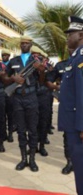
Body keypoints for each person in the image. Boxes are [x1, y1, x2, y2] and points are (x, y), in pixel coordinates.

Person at [1, 36, 44, 172]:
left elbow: (42, 81)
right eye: (22, 44)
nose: (24, 45)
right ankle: (23, 158)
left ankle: (32, 160)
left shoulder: (37, 61)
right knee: (21, 130)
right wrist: (13, 78)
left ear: (31, 45)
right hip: (18, 98)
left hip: (31, 97)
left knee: (32, 130)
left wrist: (40, 69)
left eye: (27, 44)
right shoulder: (14, 61)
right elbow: (4, 77)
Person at [58, 15, 83, 195]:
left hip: (78, 126)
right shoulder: (74, 59)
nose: (67, 37)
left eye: (71, 34)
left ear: (81, 35)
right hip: (74, 123)